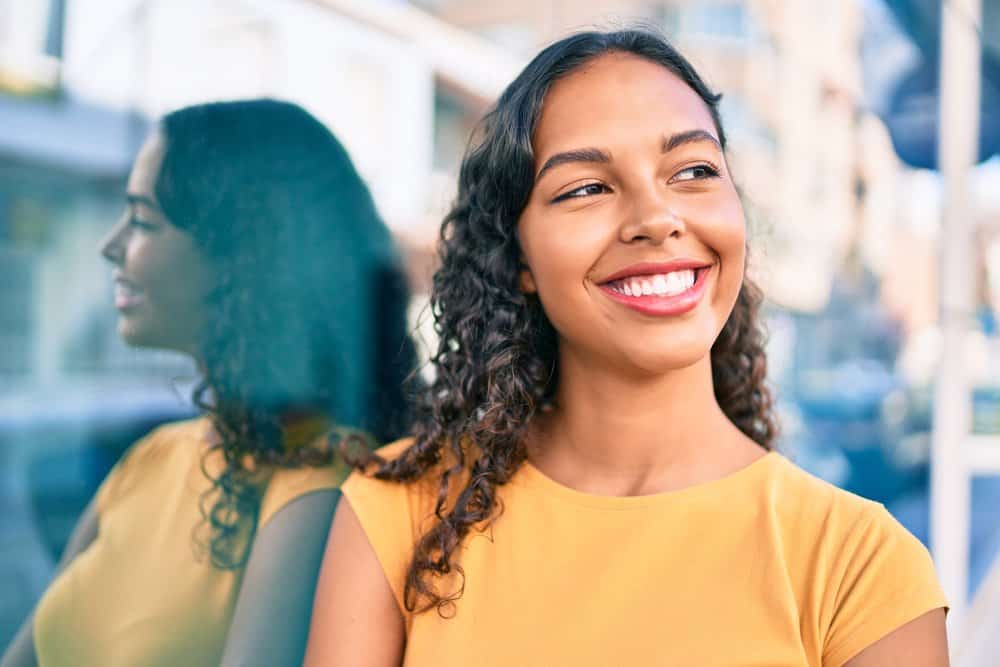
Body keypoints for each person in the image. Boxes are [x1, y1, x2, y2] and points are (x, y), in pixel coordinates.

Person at [305, 29, 949, 667]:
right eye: (586, 187)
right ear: (518, 256)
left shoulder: (862, 567)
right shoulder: (401, 512)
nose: (656, 217)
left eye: (694, 171)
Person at [1, 99, 415, 667]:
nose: (111, 246)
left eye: (144, 221)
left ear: (245, 257)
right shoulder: (150, 459)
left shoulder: (314, 488)